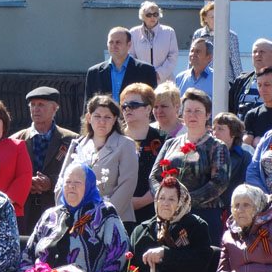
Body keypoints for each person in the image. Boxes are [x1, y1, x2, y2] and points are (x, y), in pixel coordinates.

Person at [150, 88, 229, 246]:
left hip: (204, 215)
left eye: (198, 111)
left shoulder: (216, 146)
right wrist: (165, 200)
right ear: (182, 114)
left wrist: (184, 202)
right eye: (188, 111)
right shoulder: (170, 143)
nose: (192, 115)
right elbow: (154, 176)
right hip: (169, 215)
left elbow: (219, 182)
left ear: (207, 115)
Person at [59, 95, 139, 226]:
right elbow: (62, 181)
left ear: (114, 120)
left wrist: (102, 216)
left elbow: (127, 186)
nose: (102, 121)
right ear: (89, 118)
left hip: (113, 220)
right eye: (97, 116)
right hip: (76, 219)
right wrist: (66, 210)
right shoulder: (77, 144)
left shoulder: (126, 145)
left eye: (107, 117)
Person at [11, 86, 77, 235]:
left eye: (41, 105)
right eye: (32, 105)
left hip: (56, 210)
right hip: (24, 211)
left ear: (54, 108)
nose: (36, 109)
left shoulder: (71, 140)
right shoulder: (15, 140)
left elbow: (77, 174)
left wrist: (51, 183)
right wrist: (26, 182)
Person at [120, 84, 164, 225]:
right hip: (118, 212)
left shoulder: (163, 140)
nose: (127, 109)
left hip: (152, 213)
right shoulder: (113, 138)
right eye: (124, 105)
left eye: (133, 105)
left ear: (148, 109)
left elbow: (168, 175)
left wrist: (142, 201)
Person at [84, 26, 157, 102]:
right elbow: (88, 106)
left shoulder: (146, 71)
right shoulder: (94, 73)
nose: (114, 46)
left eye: (118, 42)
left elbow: (151, 103)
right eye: (111, 42)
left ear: (129, 45)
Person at [128, 0, 179, 83]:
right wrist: (143, 73)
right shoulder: (133, 33)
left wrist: (159, 74)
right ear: (142, 16)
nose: (153, 17)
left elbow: (173, 56)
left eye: (155, 14)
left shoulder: (169, 32)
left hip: (165, 81)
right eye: (149, 15)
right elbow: (130, 57)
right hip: (142, 80)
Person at [213, 112, 251, 217]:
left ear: (233, 133)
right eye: (214, 129)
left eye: (220, 129)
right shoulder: (207, 153)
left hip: (234, 210)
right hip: (211, 209)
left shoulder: (244, 157)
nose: (215, 133)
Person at [192, 1, 242, 81]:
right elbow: (193, 59)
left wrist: (240, 84)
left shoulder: (231, 36)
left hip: (225, 82)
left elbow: (236, 64)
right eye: (212, 17)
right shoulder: (198, 34)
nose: (216, 20)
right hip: (202, 80)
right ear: (205, 18)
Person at [229, 38, 272, 121]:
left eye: (262, 52)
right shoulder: (241, 81)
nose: (257, 55)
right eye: (255, 52)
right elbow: (230, 109)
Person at [243, 66, 272, 148]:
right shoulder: (252, 115)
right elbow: (246, 145)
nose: (262, 89)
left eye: (267, 85)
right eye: (259, 85)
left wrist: (261, 142)